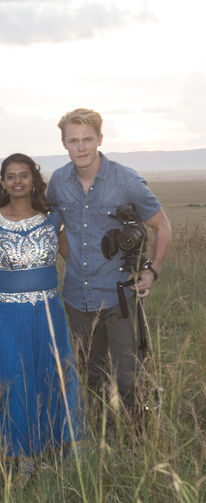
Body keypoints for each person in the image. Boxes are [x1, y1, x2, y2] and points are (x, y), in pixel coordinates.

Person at [46, 108, 172, 420]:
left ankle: (137, 440)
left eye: (87, 139)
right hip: (76, 297)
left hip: (121, 297)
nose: (81, 147)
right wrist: (75, 260)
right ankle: (101, 440)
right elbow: (55, 226)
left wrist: (151, 270)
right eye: (73, 140)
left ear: (100, 139)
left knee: (128, 377)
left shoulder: (126, 181)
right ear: (64, 143)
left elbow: (162, 226)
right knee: (90, 375)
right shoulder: (59, 181)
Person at [0, 153, 85, 480]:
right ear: (3, 182)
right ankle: (9, 463)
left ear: (34, 179)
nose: (17, 180)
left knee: (50, 380)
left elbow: (76, 263)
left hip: (49, 317)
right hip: (5, 318)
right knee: (12, 384)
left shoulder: (53, 219)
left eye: (23, 174)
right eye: (10, 175)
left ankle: (49, 458)